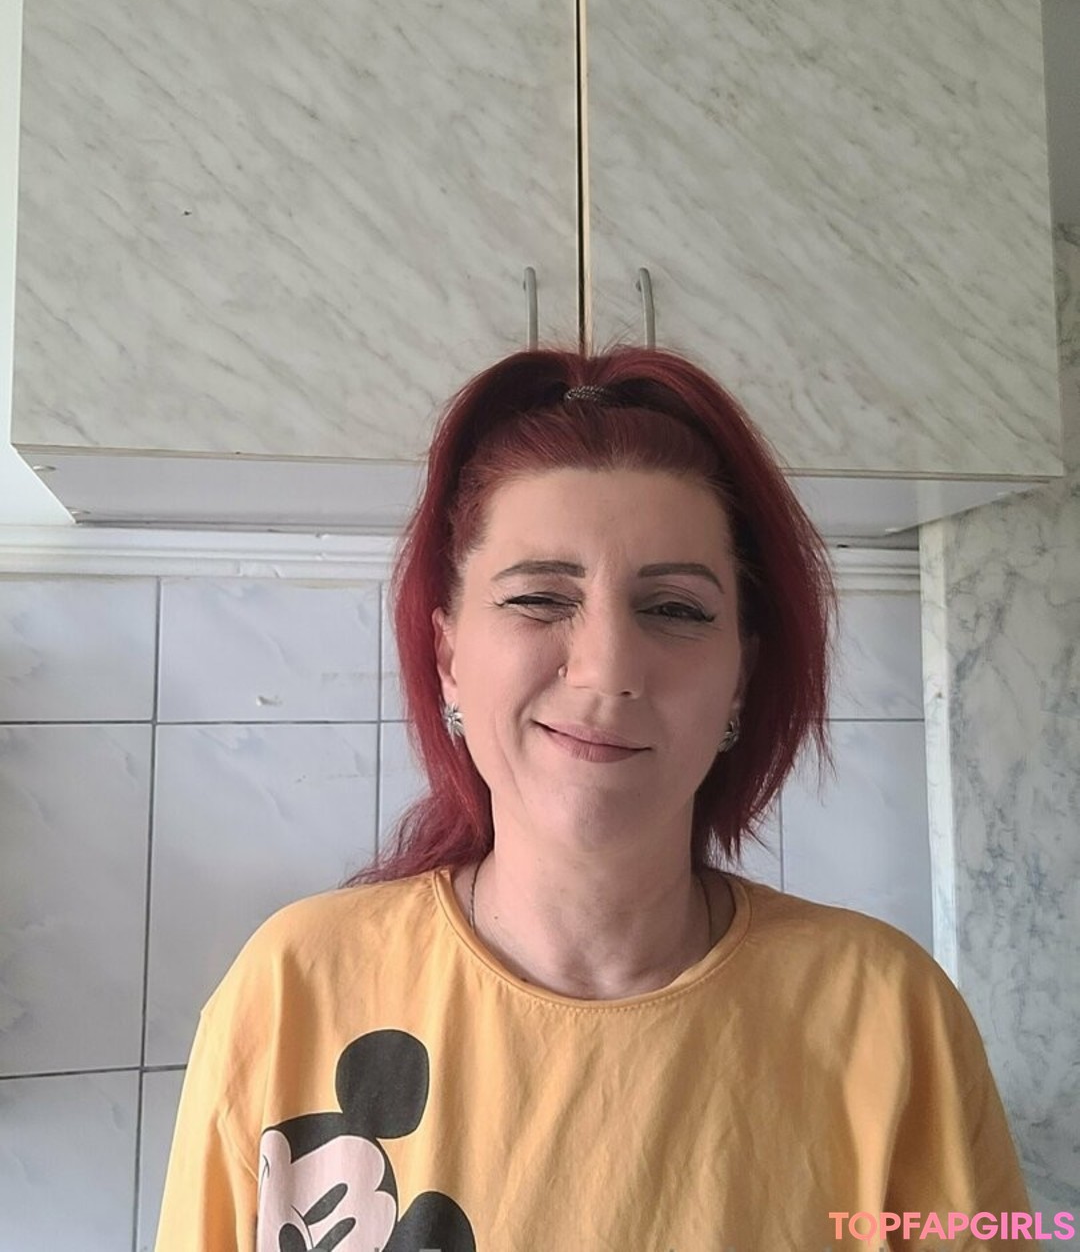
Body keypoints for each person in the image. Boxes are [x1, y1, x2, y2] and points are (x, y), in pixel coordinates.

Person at [154, 344, 1032, 1252]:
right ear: (448, 657)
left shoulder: (890, 1015)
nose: (608, 668)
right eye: (539, 597)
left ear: (740, 678)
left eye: (676, 609)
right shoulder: (290, 988)